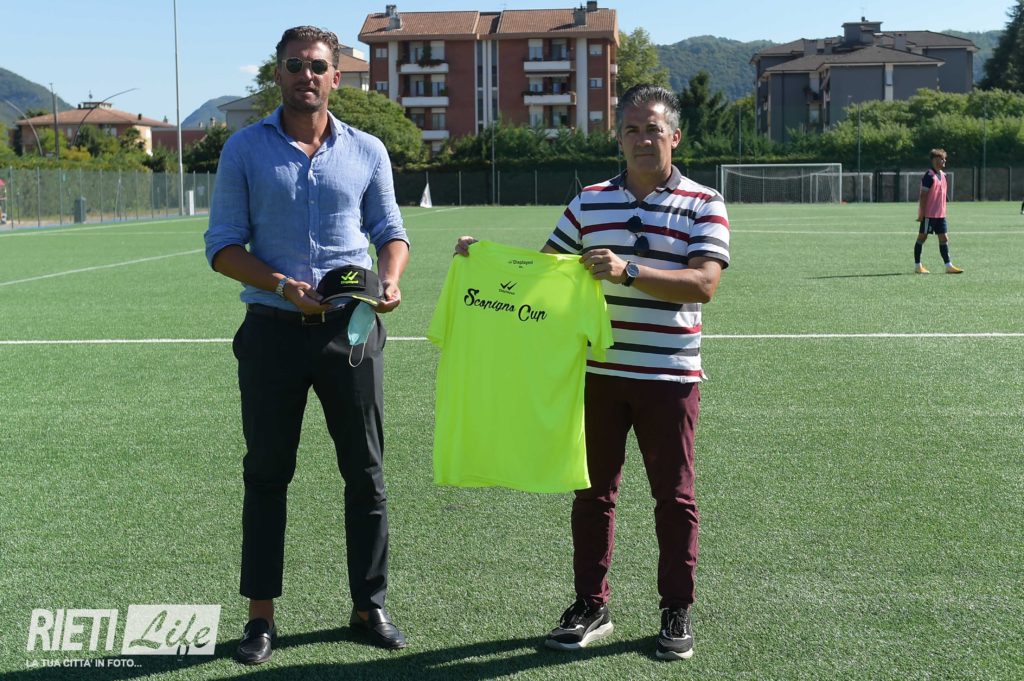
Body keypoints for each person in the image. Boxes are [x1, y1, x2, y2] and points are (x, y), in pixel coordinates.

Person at [455, 84, 730, 661]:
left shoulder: (704, 202)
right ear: (619, 138)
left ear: (675, 136)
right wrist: (484, 260)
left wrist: (628, 270)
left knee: (674, 497)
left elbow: (704, 283)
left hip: (668, 375)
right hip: (597, 373)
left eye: (653, 129)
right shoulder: (589, 201)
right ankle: (590, 604)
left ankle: (676, 608)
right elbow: (545, 272)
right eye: (631, 129)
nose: (642, 139)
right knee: (592, 494)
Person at [204, 25, 410, 665]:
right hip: (271, 331)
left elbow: (390, 230)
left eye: (317, 66)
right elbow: (222, 247)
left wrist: (391, 280)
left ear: (336, 77)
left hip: (352, 331)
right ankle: (260, 618)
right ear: (278, 75)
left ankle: (369, 604)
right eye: (294, 65)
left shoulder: (368, 149)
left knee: (366, 474)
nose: (306, 75)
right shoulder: (244, 148)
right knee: (267, 475)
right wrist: (282, 285)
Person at [914, 148, 963, 274]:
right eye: (942, 159)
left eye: (945, 159)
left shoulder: (944, 175)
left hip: (941, 215)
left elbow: (942, 192)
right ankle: (918, 266)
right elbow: (923, 196)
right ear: (935, 160)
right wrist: (921, 213)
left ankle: (948, 266)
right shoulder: (929, 176)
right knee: (922, 238)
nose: (944, 161)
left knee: (944, 238)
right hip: (929, 215)